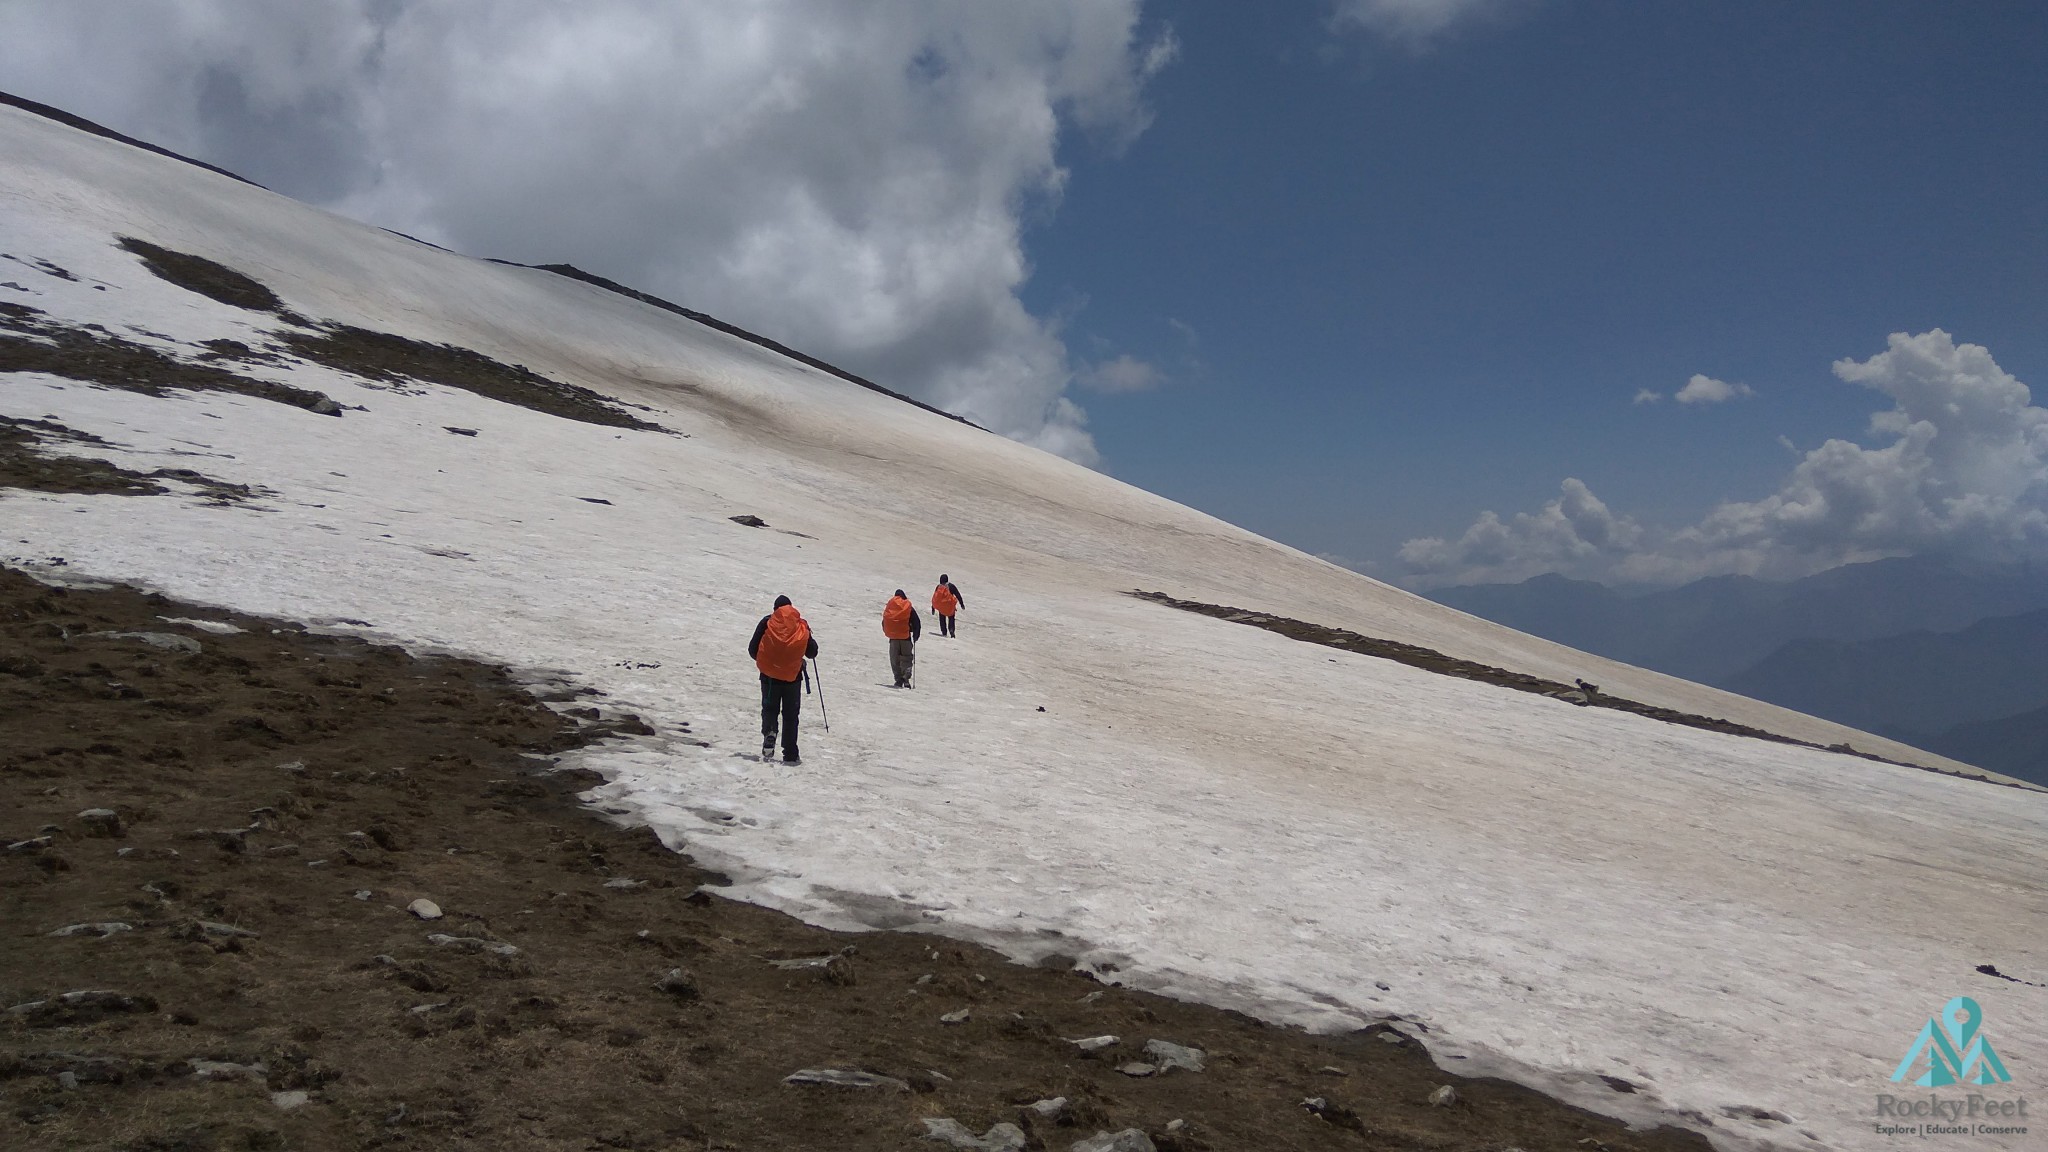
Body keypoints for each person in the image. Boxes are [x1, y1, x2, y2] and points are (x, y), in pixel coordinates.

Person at [747, 595, 817, 763]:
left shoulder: (767, 622)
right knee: (791, 715)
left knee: (770, 709)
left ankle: (770, 732)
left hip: (769, 678)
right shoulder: (800, 625)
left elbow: (752, 649)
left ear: (775, 609)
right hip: (793, 678)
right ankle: (790, 753)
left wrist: (768, 663)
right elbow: (812, 652)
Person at [882, 589, 921, 688]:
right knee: (906, 657)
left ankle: (898, 679)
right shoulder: (908, 607)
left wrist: (888, 632)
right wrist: (915, 636)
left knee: (894, 658)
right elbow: (916, 622)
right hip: (905, 637)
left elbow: (885, 621)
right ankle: (906, 678)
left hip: (893, 638)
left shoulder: (890, 606)